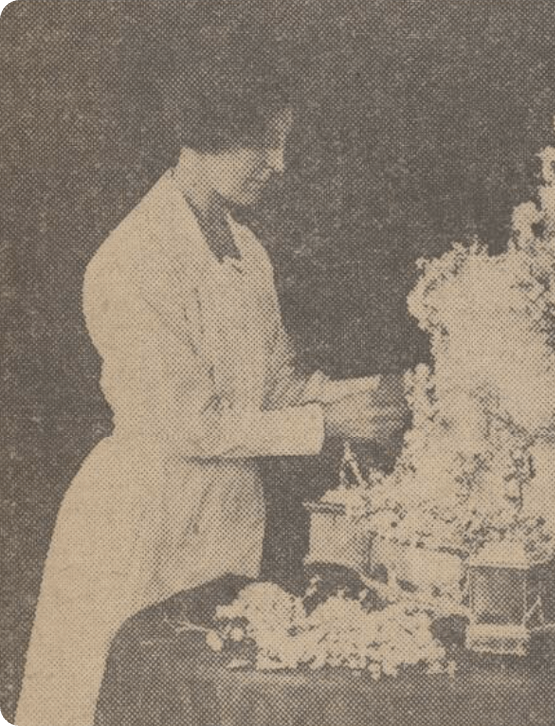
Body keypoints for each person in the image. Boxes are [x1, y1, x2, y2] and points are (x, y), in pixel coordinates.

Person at [16, 51, 406, 725]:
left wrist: (377, 390)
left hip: (220, 527)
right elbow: (187, 423)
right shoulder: (132, 260)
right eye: (264, 142)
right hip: (139, 523)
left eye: (282, 142)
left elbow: (276, 384)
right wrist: (330, 424)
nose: (278, 163)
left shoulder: (246, 250)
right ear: (200, 136)